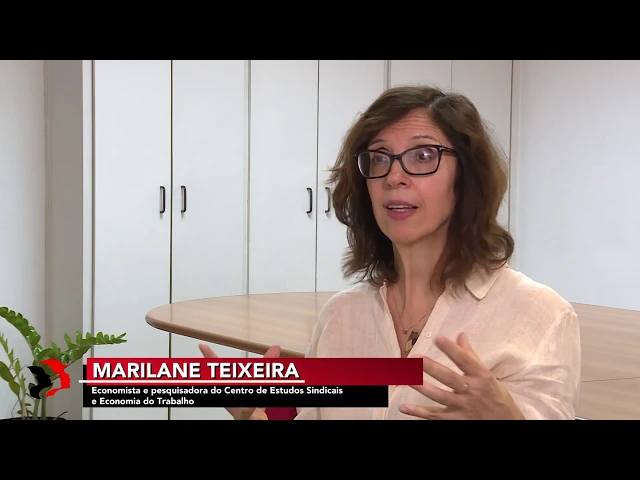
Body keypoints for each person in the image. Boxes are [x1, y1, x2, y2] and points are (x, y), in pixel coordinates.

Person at [199, 84, 581, 420]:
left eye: (423, 156)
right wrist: (254, 416)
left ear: (466, 178)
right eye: (379, 158)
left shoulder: (539, 316)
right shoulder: (341, 316)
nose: (394, 177)